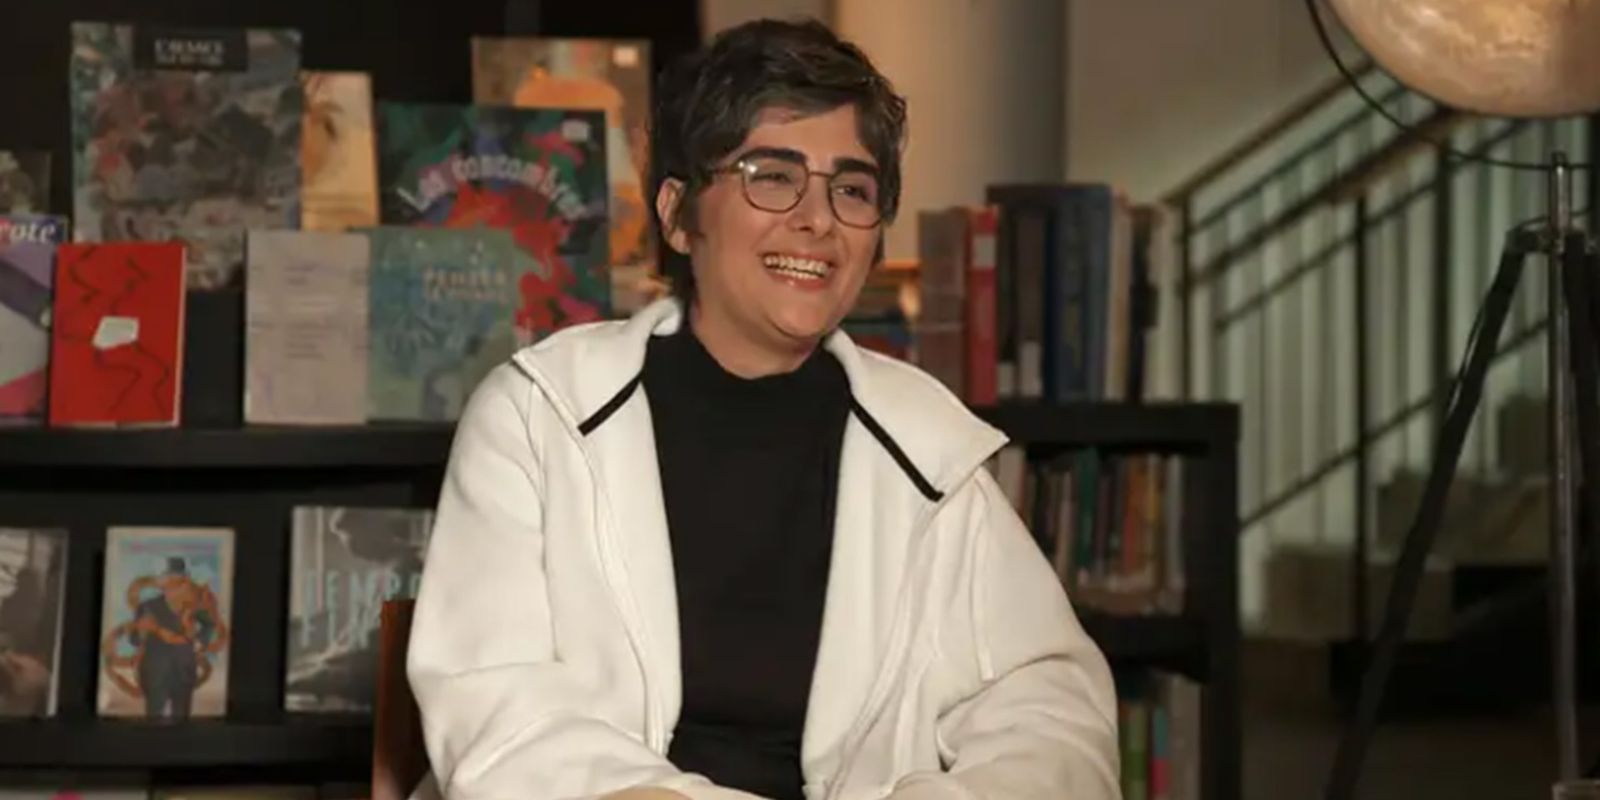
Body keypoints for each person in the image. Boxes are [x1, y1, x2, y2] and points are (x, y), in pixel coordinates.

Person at [406, 17, 1120, 800]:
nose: (817, 219)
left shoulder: (928, 446)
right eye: (772, 176)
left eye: (852, 189)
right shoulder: (538, 415)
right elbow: (497, 709)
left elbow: (1050, 707)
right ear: (678, 214)